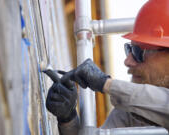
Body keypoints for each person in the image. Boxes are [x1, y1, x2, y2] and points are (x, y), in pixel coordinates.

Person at [45, 0, 169, 134]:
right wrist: (68, 119)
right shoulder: (130, 111)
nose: (127, 61)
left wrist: (107, 84)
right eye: (129, 49)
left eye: (138, 52)